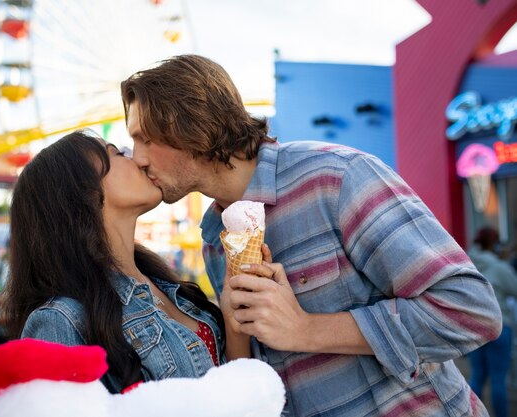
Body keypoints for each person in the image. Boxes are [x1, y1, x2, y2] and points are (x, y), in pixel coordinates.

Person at [121, 54, 503, 416]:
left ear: (190, 124)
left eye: (145, 138)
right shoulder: (215, 240)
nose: (137, 157)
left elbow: (470, 310)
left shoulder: (337, 179)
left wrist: (307, 330)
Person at [0, 130, 246, 394]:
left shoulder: (170, 289)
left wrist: (234, 324)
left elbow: (237, 396)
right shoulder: (61, 321)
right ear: (84, 192)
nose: (139, 160)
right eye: (117, 153)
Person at [467, 227, 517, 417]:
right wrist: (504, 262)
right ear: (495, 245)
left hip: (474, 327)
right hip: (499, 326)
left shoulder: (467, 262)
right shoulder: (499, 267)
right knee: (498, 380)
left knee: (477, 376)